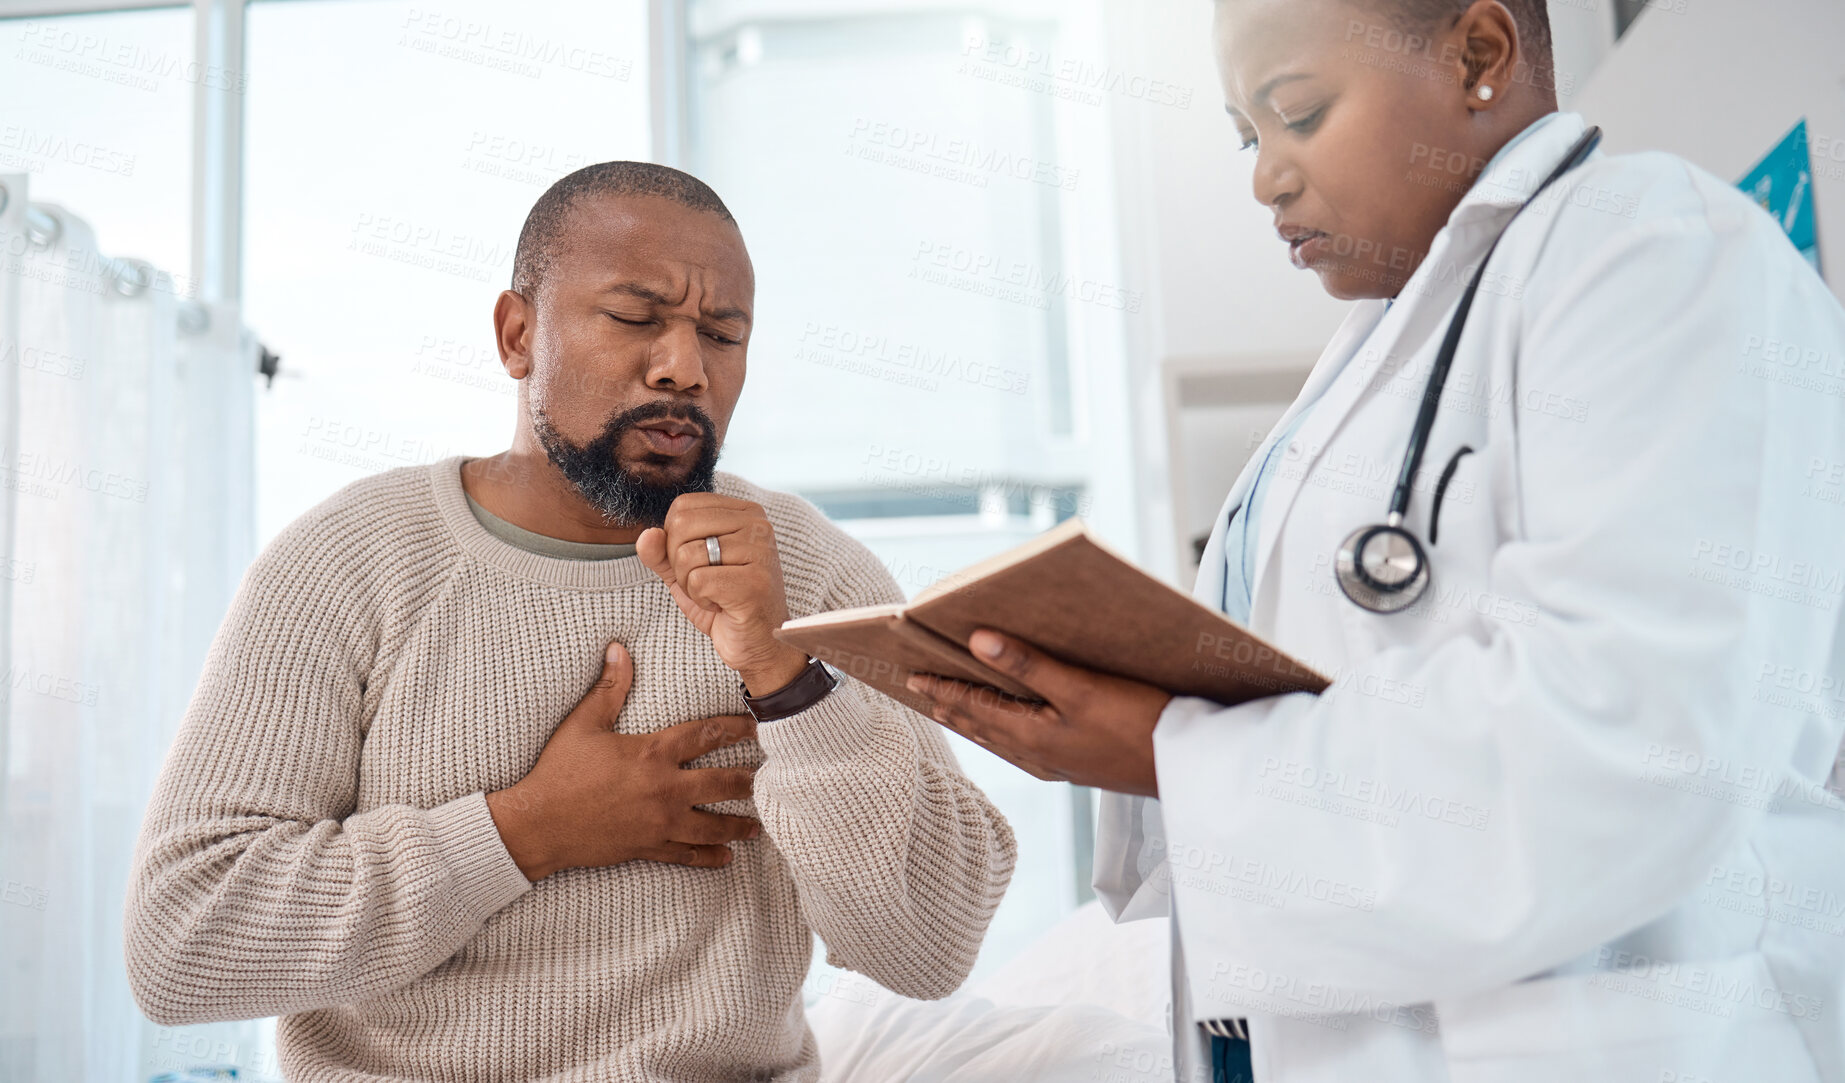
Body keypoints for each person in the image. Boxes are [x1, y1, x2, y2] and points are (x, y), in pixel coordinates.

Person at [902, 1, 1845, 1080]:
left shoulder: (1659, 248)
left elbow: (1637, 742)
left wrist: (1168, 748)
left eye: (1297, 114)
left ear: (1477, 54)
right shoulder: (1370, 360)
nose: (1266, 178)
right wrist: (1124, 725)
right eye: (1247, 137)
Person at [123, 162, 1016, 1082]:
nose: (684, 367)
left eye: (724, 333)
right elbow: (181, 942)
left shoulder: (802, 566)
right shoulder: (351, 560)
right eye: (636, 318)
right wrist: (527, 829)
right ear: (517, 335)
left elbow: (930, 948)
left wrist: (789, 682)